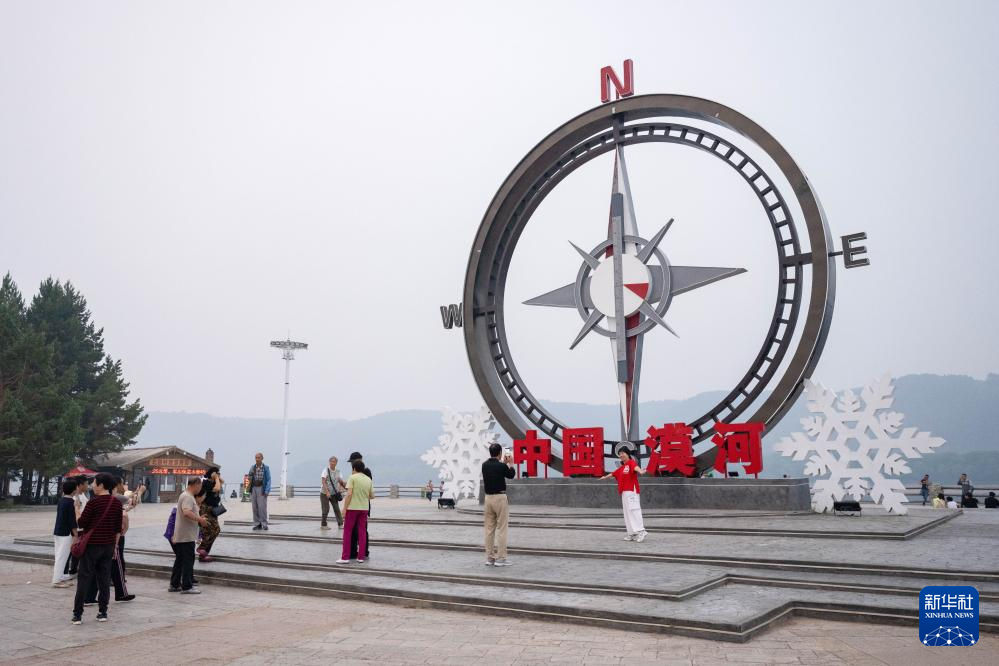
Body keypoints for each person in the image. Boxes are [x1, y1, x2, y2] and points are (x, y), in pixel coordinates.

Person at [72, 472, 123, 625]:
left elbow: (82, 523)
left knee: (84, 578)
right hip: (108, 546)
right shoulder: (116, 503)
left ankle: (77, 614)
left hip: (91, 546)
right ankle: (102, 612)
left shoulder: (93, 503)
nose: (92, 486)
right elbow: (118, 528)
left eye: (94, 483)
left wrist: (77, 510)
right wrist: (115, 547)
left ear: (101, 485)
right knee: (104, 579)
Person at [601, 448, 648, 542]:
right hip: (624, 492)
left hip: (631, 491)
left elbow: (636, 467)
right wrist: (605, 477)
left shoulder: (631, 462)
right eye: (620, 454)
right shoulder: (623, 467)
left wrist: (641, 471)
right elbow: (614, 473)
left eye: (623, 453)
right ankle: (632, 533)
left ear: (628, 454)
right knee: (627, 513)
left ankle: (641, 531)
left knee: (634, 510)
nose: (621, 455)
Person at [171, 476, 207, 593]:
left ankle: (175, 584)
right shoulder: (188, 497)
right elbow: (186, 512)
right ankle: (187, 586)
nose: (200, 489)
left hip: (183, 534)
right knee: (187, 560)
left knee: (180, 560)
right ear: (196, 484)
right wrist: (200, 519)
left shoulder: (185, 495)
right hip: (186, 535)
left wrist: (198, 517)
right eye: (200, 486)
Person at [481, 443, 515, 566]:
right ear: (500, 453)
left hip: (488, 499)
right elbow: (511, 475)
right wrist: (510, 463)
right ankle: (501, 558)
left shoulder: (484, 465)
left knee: (489, 529)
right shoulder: (502, 466)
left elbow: (496, 471)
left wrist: (503, 464)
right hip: (500, 498)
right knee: (502, 529)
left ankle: (490, 558)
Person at [337, 459, 374, 564]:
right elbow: (372, 496)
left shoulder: (352, 477)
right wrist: (362, 497)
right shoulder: (368, 479)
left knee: (347, 532)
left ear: (354, 468)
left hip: (352, 508)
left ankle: (345, 558)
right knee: (362, 532)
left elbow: (349, 494)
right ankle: (361, 557)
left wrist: (344, 509)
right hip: (364, 509)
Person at [52, 480, 78, 588]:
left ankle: (60, 576)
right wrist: (75, 534)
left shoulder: (62, 500)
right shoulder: (70, 502)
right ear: (74, 490)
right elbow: (72, 520)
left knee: (59, 555)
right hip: (65, 533)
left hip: (58, 530)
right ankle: (56, 580)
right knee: (62, 557)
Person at [347, 452, 372, 560]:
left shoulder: (366, 472)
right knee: (353, 531)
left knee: (361, 531)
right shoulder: (354, 473)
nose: (351, 464)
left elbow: (364, 488)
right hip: (354, 505)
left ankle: (364, 552)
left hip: (362, 506)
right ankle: (353, 552)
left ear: (359, 460)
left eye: (352, 462)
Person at [197, 466, 224, 561]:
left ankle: (204, 553)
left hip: (213, 510)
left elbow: (222, 482)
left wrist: (217, 477)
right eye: (217, 472)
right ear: (212, 473)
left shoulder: (215, 482)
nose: (218, 474)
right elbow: (217, 489)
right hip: (206, 509)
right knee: (208, 531)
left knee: (215, 530)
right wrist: (215, 478)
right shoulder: (206, 483)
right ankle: (202, 550)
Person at [320, 456, 344, 530]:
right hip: (324, 493)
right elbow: (323, 481)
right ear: (329, 462)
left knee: (336, 508)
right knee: (326, 509)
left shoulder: (338, 471)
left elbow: (341, 481)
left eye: (334, 461)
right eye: (331, 461)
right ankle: (323, 524)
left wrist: (340, 488)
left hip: (334, 493)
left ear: (336, 463)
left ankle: (340, 524)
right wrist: (327, 492)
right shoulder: (325, 470)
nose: (332, 463)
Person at [248, 452, 271, 530]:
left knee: (262, 507)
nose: (257, 459)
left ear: (262, 458)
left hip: (261, 488)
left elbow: (268, 479)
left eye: (258, 458)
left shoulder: (266, 468)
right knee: (254, 507)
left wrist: (267, 490)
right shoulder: (252, 467)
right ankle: (257, 524)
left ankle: (264, 524)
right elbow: (249, 476)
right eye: (256, 458)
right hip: (253, 488)